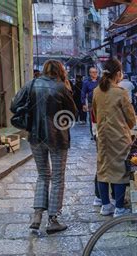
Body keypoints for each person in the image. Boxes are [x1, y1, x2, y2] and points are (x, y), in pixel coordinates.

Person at [11, 60, 76, 234]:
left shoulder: (31, 83)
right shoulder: (61, 87)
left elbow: (14, 106)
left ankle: (37, 215)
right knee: (57, 177)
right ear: (60, 71)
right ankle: (53, 219)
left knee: (42, 175)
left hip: (35, 136)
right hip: (58, 138)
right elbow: (73, 113)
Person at [93, 58, 137, 217]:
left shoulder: (97, 91)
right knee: (119, 170)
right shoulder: (120, 92)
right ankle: (119, 207)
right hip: (119, 137)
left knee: (103, 169)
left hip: (103, 136)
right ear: (118, 74)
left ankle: (105, 205)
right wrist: (129, 126)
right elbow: (131, 118)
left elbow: (94, 112)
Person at [81, 67, 99, 137]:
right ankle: (93, 134)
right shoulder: (86, 82)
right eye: (93, 72)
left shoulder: (100, 81)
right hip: (91, 103)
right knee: (92, 119)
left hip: (100, 102)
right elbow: (83, 93)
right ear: (90, 73)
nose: (95, 74)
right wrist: (83, 104)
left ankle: (99, 133)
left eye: (96, 72)